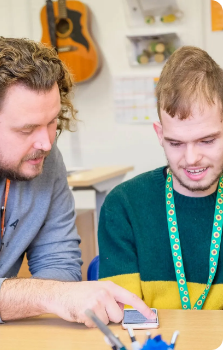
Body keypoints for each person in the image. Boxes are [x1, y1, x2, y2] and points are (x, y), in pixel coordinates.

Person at [0, 36, 155, 327]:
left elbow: (59, 263)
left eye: (52, 122)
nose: (46, 143)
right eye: (27, 129)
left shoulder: (45, 157)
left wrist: (54, 295)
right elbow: (55, 294)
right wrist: (48, 296)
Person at [98, 46, 223, 311]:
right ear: (159, 134)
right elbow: (125, 321)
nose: (191, 159)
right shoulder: (124, 206)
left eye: (207, 140)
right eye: (175, 143)